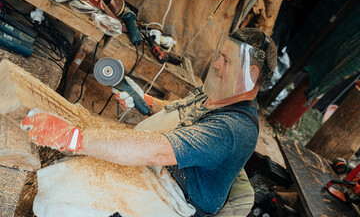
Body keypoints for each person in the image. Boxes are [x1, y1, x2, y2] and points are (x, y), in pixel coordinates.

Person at [21, 28, 277, 217]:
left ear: (251, 74)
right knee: (74, 166)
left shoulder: (233, 129)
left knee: (69, 191)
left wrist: (74, 139)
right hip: (162, 170)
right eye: (220, 56)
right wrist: (146, 101)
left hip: (176, 196)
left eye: (227, 60)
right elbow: (184, 112)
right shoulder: (221, 93)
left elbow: (156, 150)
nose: (217, 65)